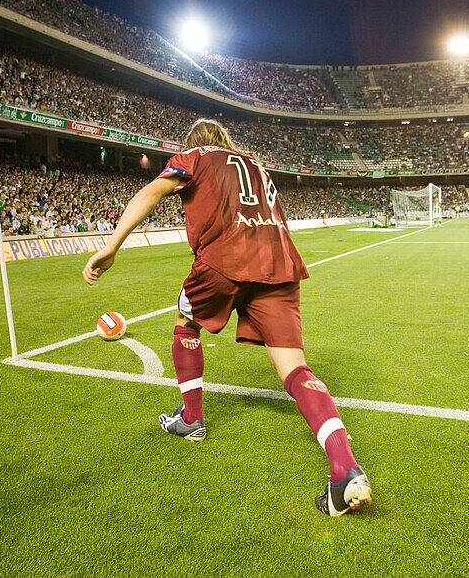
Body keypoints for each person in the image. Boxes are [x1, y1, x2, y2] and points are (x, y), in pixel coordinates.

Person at [82, 119, 372, 517]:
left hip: (224, 261)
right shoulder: (255, 164)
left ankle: (192, 417)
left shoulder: (195, 157)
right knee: (295, 369)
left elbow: (152, 191)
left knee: (186, 322)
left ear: (194, 143)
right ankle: (345, 469)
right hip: (279, 266)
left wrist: (112, 245)